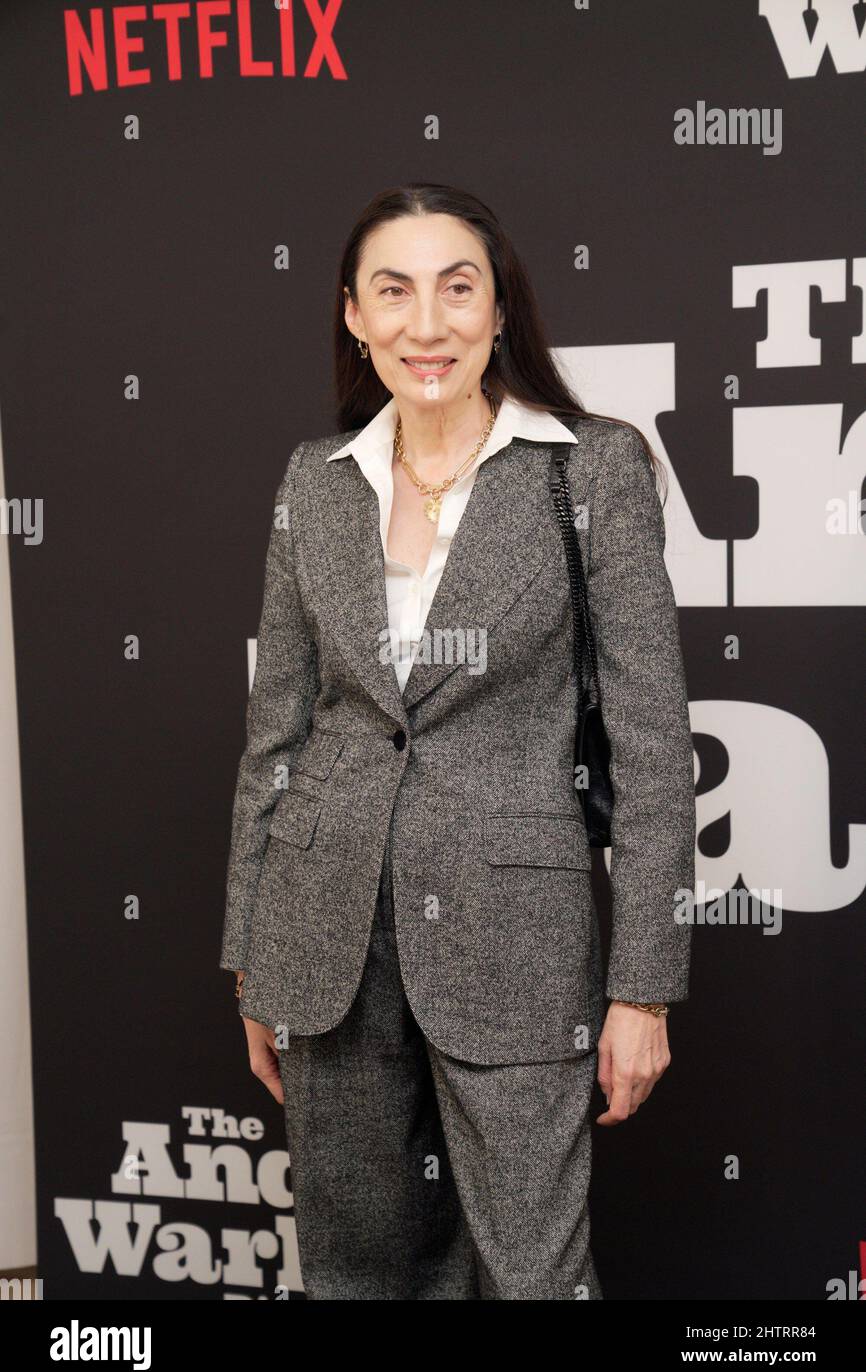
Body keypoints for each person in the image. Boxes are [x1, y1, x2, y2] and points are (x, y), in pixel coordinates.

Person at [219, 183, 696, 1300]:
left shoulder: (590, 468)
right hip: (322, 938)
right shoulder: (314, 481)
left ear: (497, 308)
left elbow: (648, 742)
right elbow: (275, 734)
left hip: (518, 945)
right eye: (393, 291)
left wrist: (644, 987)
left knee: (534, 1273)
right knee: (356, 1272)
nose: (424, 324)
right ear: (352, 314)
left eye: (456, 288)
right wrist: (251, 951)